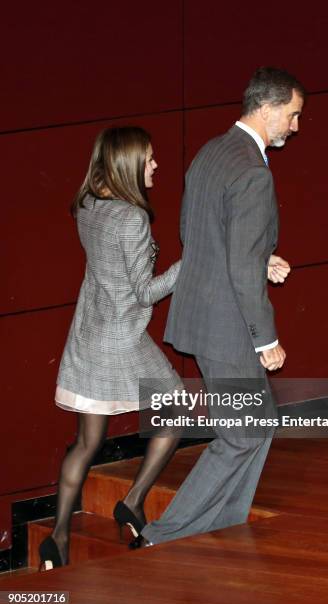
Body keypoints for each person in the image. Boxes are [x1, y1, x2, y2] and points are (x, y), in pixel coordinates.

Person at [134, 67, 305, 547]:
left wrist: (258, 258)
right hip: (228, 325)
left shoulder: (212, 151)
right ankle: (158, 536)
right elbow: (228, 254)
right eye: (293, 116)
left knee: (258, 426)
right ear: (268, 108)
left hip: (203, 312)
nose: (295, 126)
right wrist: (266, 339)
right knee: (242, 436)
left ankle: (223, 522)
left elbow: (200, 235)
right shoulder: (252, 171)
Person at [39, 126, 182, 570]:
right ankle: (133, 502)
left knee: (87, 442)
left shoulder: (88, 205)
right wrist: (186, 264)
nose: (156, 165)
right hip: (121, 337)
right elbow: (144, 293)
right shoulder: (131, 218)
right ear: (128, 164)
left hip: (87, 333)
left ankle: (57, 539)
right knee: (175, 414)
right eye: (150, 158)